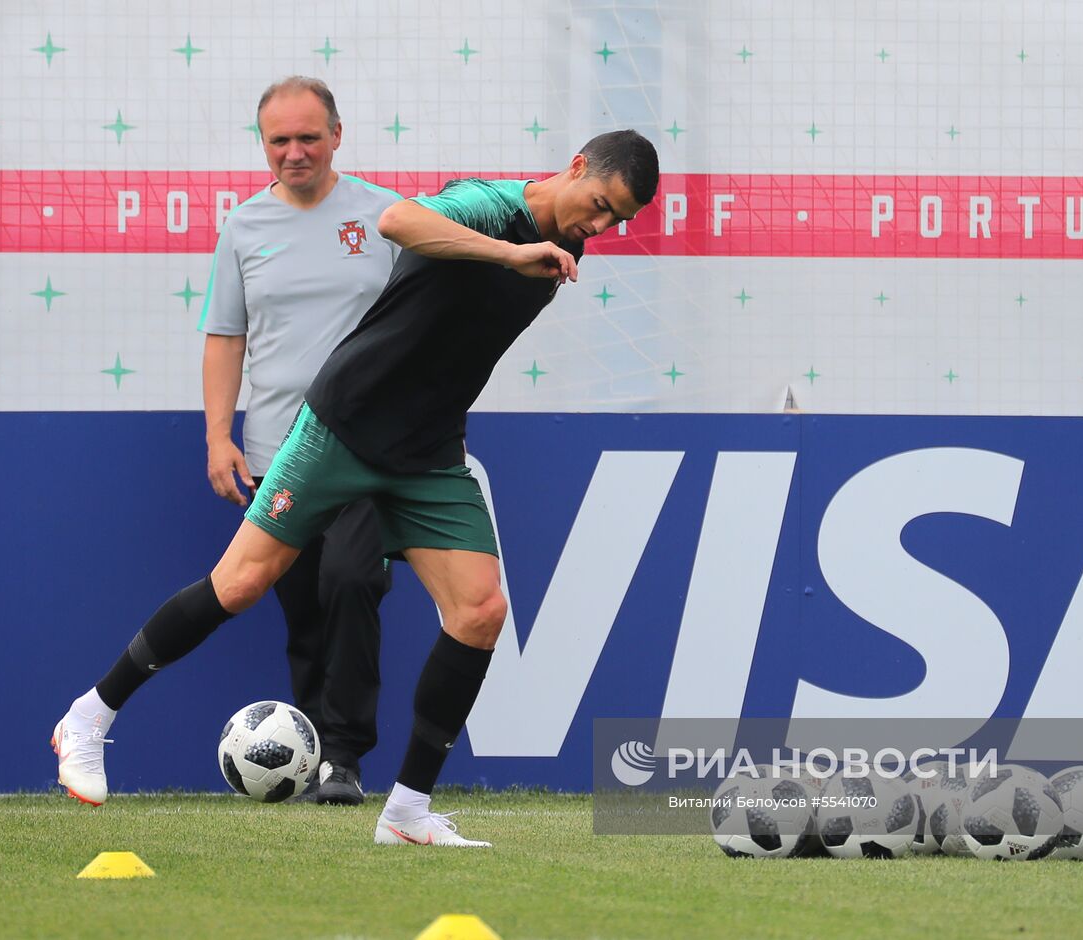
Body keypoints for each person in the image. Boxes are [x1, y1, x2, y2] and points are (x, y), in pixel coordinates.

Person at [52, 128, 660, 847]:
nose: (599, 225)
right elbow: (397, 220)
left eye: (615, 221)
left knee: (480, 612)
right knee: (240, 584)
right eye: (598, 204)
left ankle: (406, 813)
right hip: (344, 425)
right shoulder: (492, 207)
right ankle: (90, 715)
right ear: (576, 166)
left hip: (428, 452)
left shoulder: (570, 245)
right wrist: (508, 252)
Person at [198, 76, 398, 805]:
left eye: (307, 137)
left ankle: (344, 755)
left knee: (353, 579)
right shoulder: (244, 228)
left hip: (368, 452)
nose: (293, 152)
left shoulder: (385, 216)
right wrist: (220, 435)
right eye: (278, 140)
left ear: (337, 136)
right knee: (305, 605)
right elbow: (226, 337)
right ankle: (313, 754)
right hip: (279, 451)